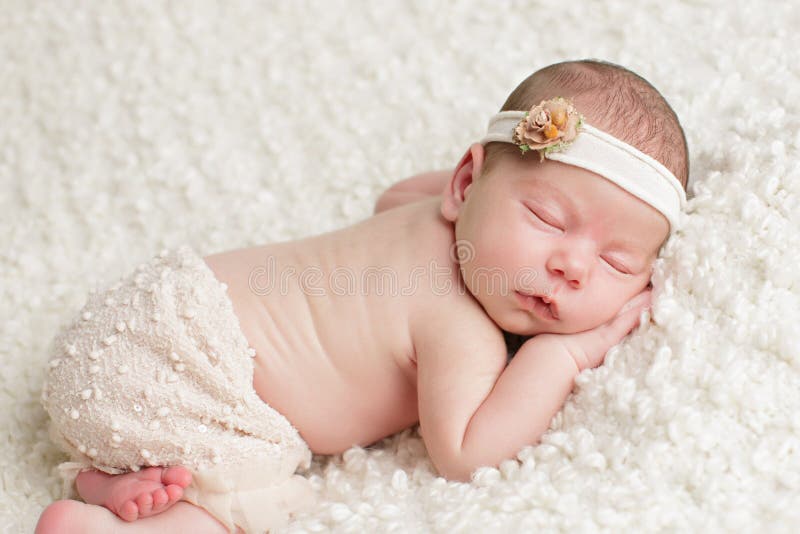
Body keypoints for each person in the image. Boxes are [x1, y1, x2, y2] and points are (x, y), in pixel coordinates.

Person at [35, 58, 689, 533]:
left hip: (140, 319)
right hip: (203, 375)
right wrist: (568, 355)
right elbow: (464, 452)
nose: (572, 265)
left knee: (184, 438)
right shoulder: (457, 326)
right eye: (547, 218)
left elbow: (394, 195)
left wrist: (492, 193)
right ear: (468, 182)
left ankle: (107, 475)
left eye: (616, 261)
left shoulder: (425, 211)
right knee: (269, 500)